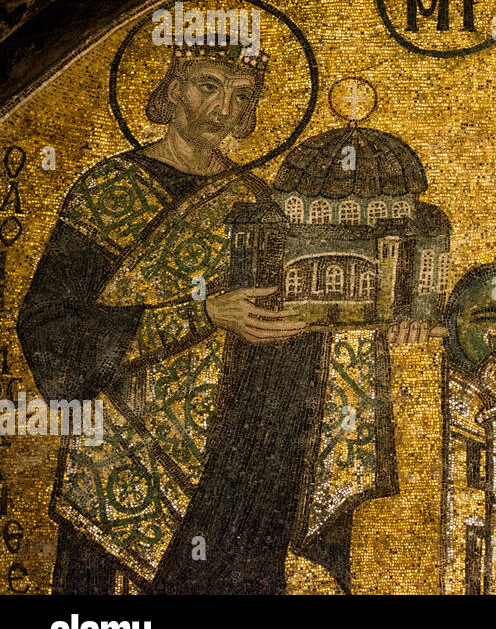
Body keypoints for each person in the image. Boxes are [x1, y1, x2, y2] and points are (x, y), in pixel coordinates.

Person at [17, 41, 400, 593]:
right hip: (129, 444)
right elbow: (52, 327)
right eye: (208, 85)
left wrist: (380, 325)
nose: (223, 107)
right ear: (172, 90)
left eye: (241, 94)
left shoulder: (259, 203)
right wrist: (202, 315)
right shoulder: (107, 192)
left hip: (240, 457)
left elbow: (306, 313)